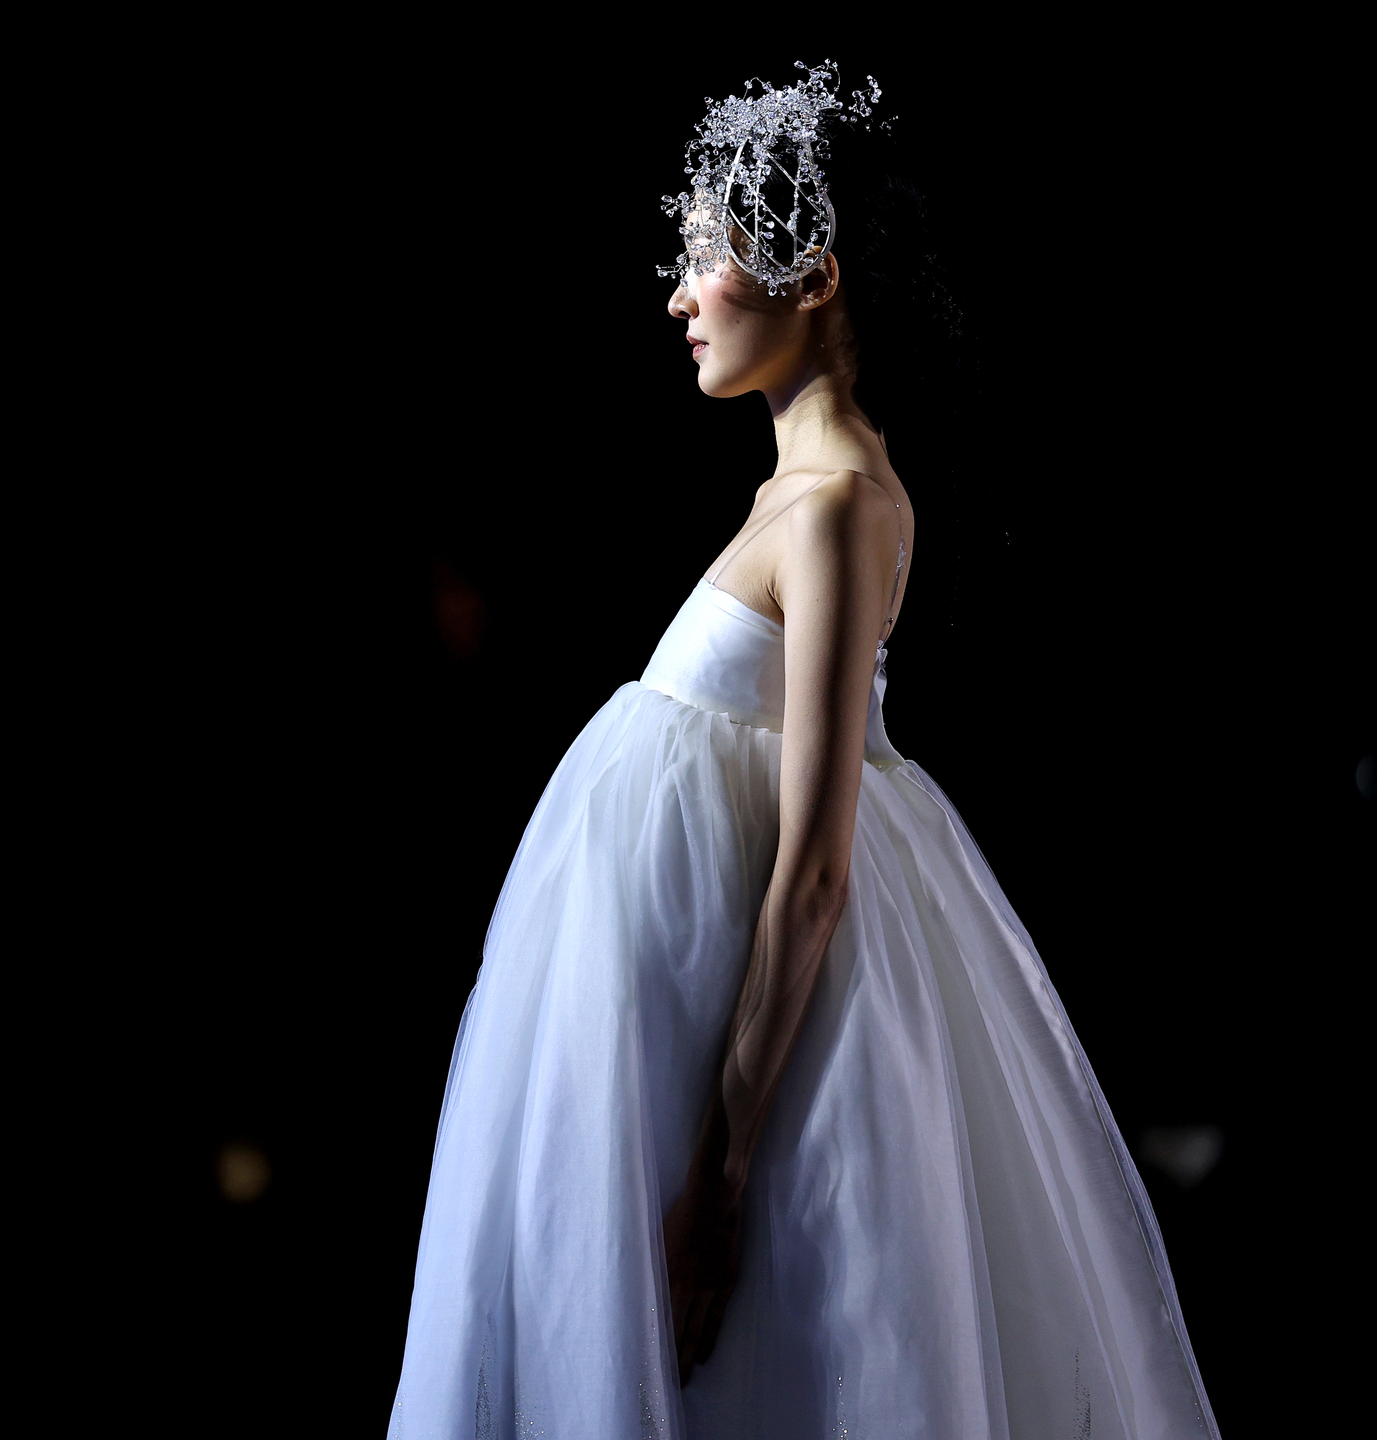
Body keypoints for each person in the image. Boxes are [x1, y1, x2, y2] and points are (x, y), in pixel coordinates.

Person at [387, 68, 1218, 1439]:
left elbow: (817, 866)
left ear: (812, 276)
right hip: (671, 986)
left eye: (705, 260)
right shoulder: (799, 491)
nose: (679, 297)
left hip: (744, 1023)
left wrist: (722, 1169)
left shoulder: (834, 505)